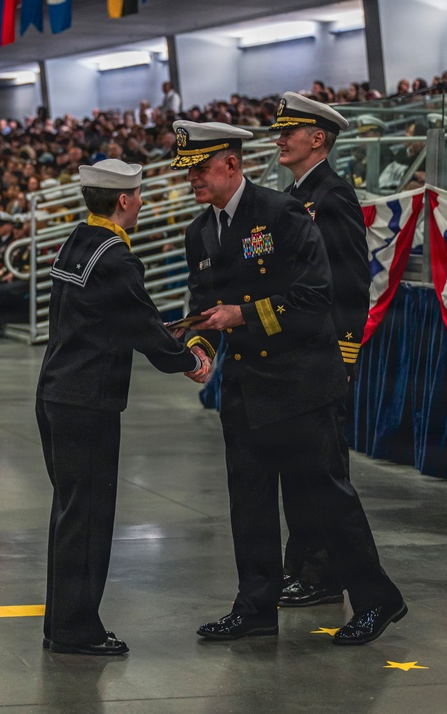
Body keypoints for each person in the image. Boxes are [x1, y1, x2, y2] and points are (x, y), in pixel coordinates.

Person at [173, 121, 405, 645]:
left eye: (202, 170)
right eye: (188, 173)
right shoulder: (200, 231)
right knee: (248, 503)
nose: (194, 181)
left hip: (299, 381)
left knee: (328, 499)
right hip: (245, 387)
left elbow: (315, 298)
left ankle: (376, 599)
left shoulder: (282, 213)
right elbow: (204, 309)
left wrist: (243, 314)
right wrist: (198, 349)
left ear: (231, 165)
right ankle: (255, 606)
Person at [36, 159, 209, 656]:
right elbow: (141, 325)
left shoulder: (78, 241)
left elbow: (119, 317)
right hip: (86, 401)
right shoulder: (114, 256)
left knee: (70, 512)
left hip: (55, 393)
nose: (141, 203)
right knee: (88, 517)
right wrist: (187, 359)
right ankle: (76, 629)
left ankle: (61, 622)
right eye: (138, 196)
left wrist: (163, 334)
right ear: (124, 201)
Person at [270, 93, 372, 609]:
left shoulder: (332, 196)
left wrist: (345, 352)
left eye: (290, 131)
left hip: (324, 355)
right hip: (296, 352)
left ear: (318, 139)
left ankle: (325, 573)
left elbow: (352, 284)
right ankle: (304, 566)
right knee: (298, 468)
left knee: (320, 471)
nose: (279, 138)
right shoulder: (294, 196)